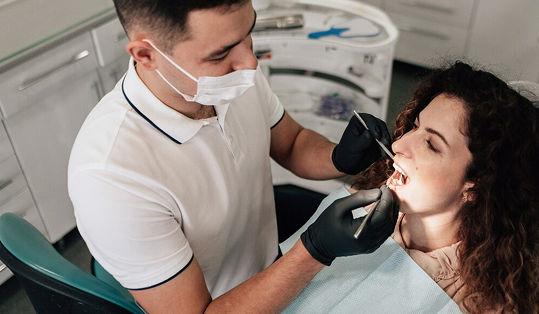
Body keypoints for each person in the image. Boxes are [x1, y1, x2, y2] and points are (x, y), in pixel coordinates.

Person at [67, 0, 398, 313]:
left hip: (271, 266)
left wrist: (339, 157)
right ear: (146, 54)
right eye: (220, 53)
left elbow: (291, 143)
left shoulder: (229, 77)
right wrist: (314, 251)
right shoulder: (110, 177)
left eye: (248, 33)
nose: (250, 63)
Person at [348, 61, 539, 313]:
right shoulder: (364, 202)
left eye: (431, 144)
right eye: (415, 126)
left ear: (476, 185)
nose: (398, 145)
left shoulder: (481, 304)